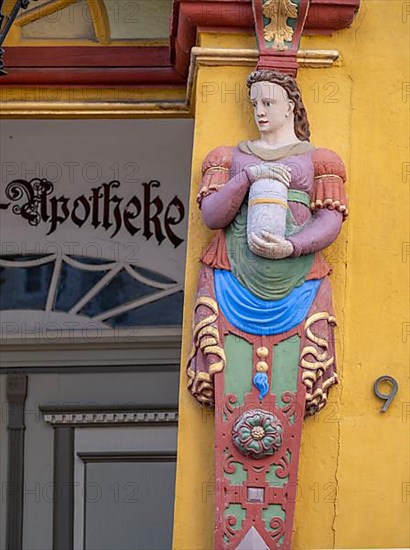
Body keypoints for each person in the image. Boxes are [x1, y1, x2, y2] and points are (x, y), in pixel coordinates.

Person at [187, 69, 348, 417]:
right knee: (230, 372)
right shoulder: (227, 158)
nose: (260, 110)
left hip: (299, 281)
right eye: (255, 103)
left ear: (290, 105)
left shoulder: (320, 160)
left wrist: (292, 247)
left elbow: (330, 220)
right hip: (232, 275)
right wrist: (246, 177)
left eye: (269, 102)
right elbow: (213, 216)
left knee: (293, 373)